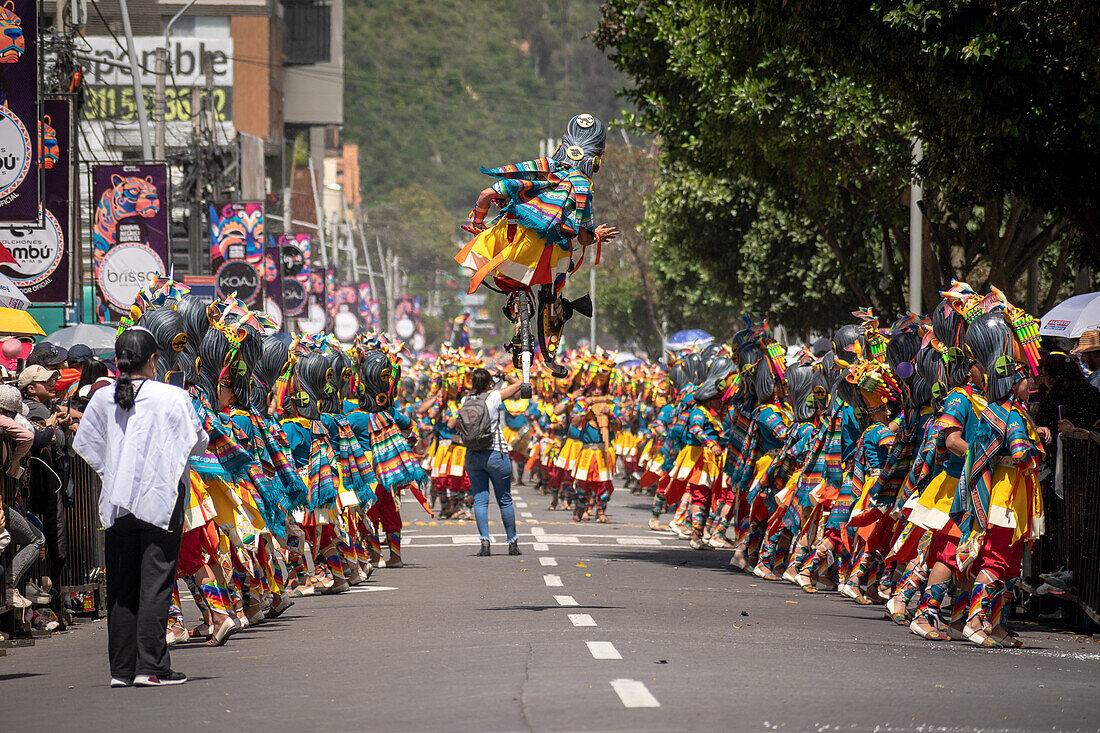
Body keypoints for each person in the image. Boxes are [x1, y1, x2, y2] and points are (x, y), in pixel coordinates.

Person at [73, 327, 209, 687]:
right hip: (161, 500)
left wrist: (116, 469)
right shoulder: (172, 396)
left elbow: (85, 444)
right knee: (156, 584)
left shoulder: (103, 398)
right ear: (152, 360)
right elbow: (198, 443)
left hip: (117, 503)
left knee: (121, 585)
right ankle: (152, 666)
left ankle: (122, 670)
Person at [452, 367, 525, 556]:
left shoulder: (464, 400)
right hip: (495, 452)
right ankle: (512, 542)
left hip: (472, 454)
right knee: (505, 499)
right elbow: (519, 385)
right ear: (488, 383)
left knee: (480, 499)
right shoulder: (494, 397)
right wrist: (504, 375)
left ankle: (485, 542)